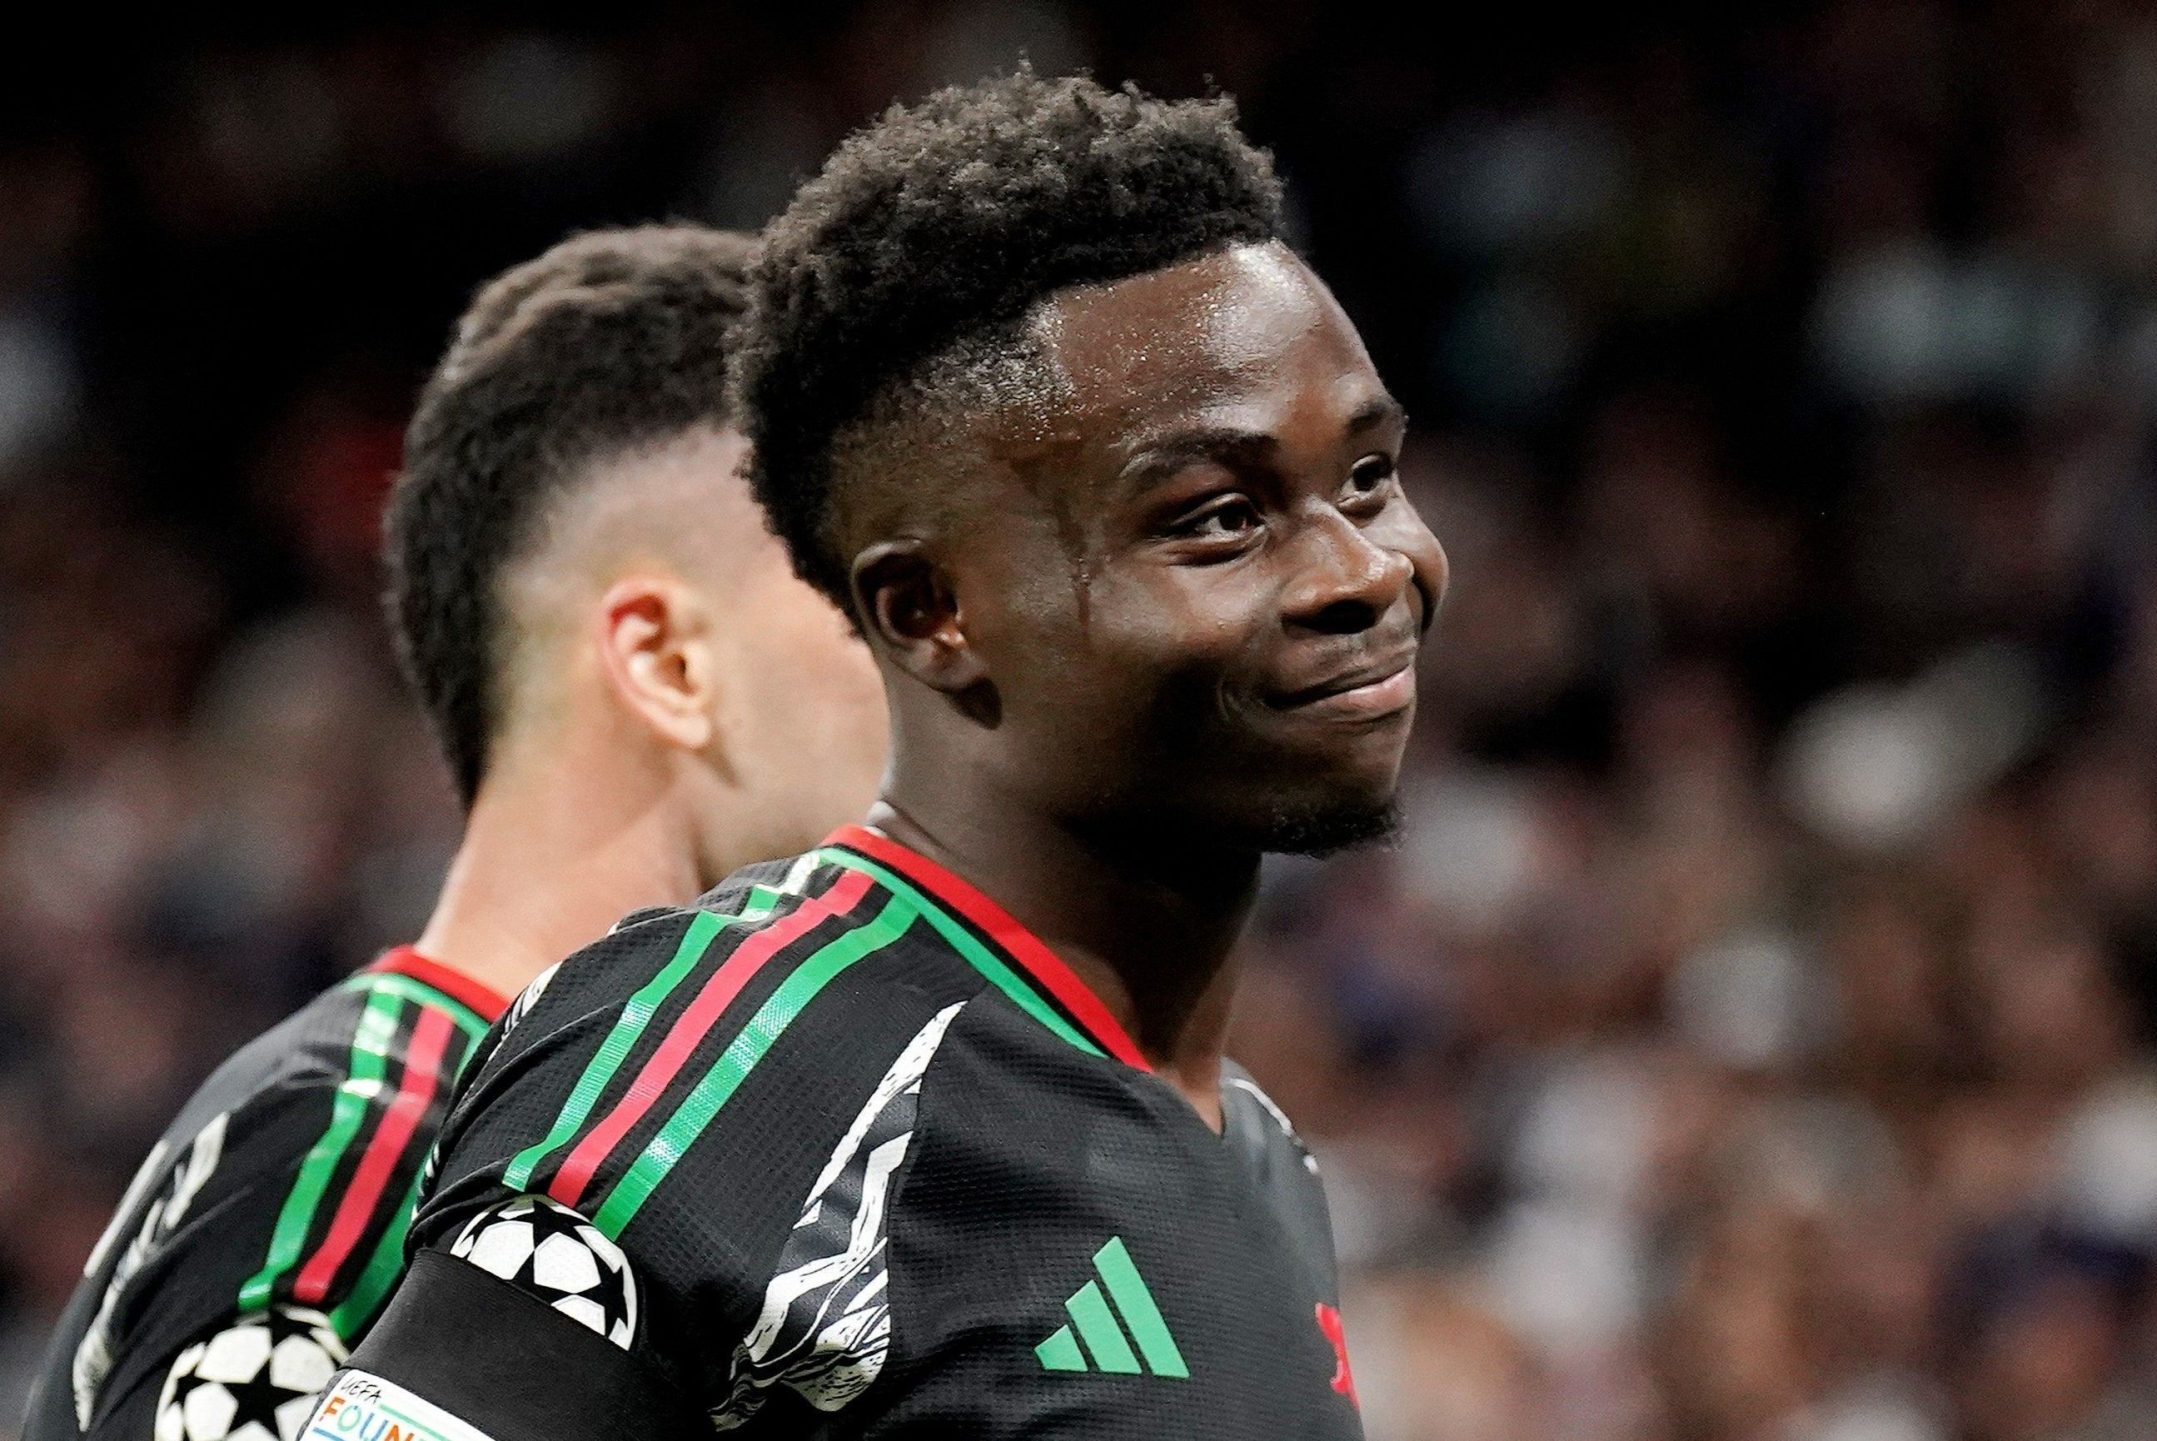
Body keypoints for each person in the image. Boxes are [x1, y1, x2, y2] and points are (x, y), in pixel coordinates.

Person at [317, 73, 1444, 1441]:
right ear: (928, 612)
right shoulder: (738, 1060)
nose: (1362, 570)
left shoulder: (1259, 1158)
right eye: (1216, 516)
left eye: (1368, 477)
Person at [25, 225, 889, 1441]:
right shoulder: (371, 1144)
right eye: (856, 594)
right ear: (665, 659)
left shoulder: (651, 1150)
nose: (928, 657)